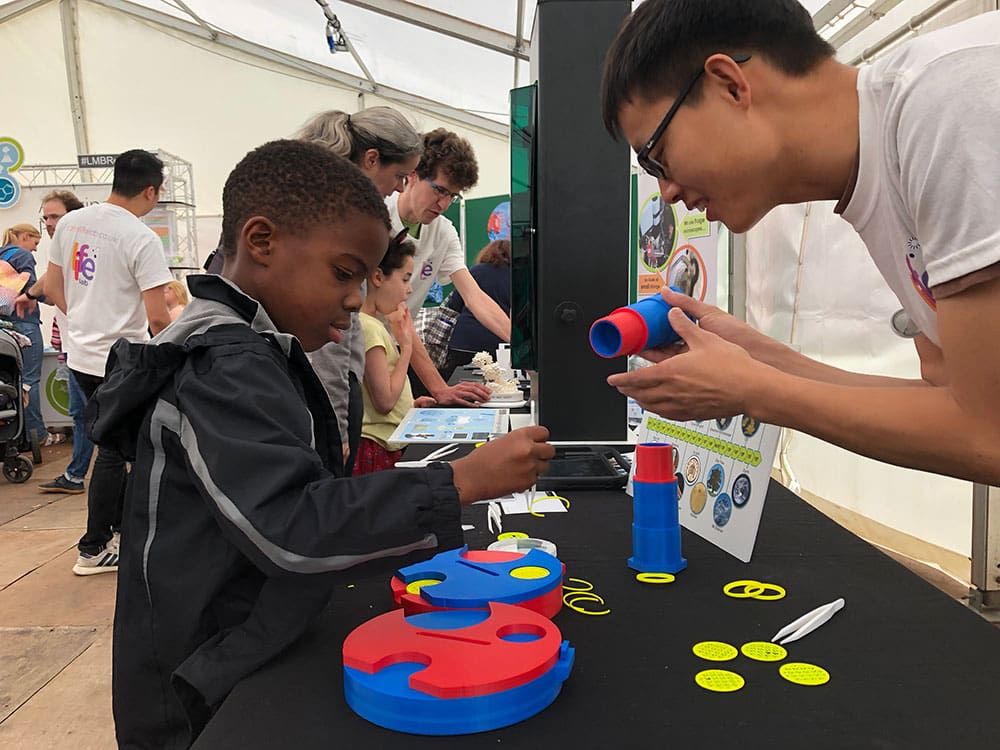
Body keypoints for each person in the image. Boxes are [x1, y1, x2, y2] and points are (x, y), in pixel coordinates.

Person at [85, 139, 553, 748]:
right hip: (196, 686)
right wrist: (461, 483)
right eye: (343, 273)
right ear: (261, 242)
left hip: (232, 641)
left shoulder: (254, 345)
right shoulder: (224, 365)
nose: (357, 299)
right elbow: (288, 530)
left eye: (363, 278)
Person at [599, 0, 1000, 486]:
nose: (667, 192)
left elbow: (987, 433)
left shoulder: (947, 98)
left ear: (730, 83)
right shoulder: (887, 164)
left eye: (657, 158)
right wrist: (761, 360)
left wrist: (754, 388)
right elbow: (946, 398)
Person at [292, 107, 473, 475]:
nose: (399, 187)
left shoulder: (345, 221)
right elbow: (334, 342)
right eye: (400, 176)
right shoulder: (351, 224)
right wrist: (338, 426)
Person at [40, 149, 173, 574]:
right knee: (119, 452)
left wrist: (80, 320)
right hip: (122, 360)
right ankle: (94, 547)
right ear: (151, 190)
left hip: (80, 354)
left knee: (119, 447)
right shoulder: (141, 237)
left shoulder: (73, 221)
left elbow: (52, 285)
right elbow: (157, 317)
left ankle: (118, 534)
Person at [389, 128, 510, 403]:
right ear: (413, 174)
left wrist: (523, 346)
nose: (443, 204)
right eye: (440, 191)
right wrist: (439, 387)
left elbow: (475, 296)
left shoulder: (443, 231)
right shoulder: (377, 216)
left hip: (397, 350)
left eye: (452, 196)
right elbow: (395, 314)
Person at [27, 190, 97, 492]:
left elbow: (50, 283)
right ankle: (76, 474)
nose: (48, 223)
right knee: (82, 415)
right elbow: (50, 283)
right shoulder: (67, 245)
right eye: (45, 217)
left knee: (92, 415)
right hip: (73, 347)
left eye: (54, 216)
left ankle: (85, 474)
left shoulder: (78, 244)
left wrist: (28, 294)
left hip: (87, 346)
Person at [355, 230, 434, 475]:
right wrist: (407, 346)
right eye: (405, 279)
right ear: (378, 276)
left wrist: (408, 405)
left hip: (384, 441)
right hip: (375, 448)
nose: (409, 290)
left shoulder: (373, 325)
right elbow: (384, 401)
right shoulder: (368, 328)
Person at [439, 239, 511, 382]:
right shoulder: (516, 276)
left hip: (464, 341)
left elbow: (455, 305)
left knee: (457, 383)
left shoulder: (474, 272)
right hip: (499, 341)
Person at [0, 223, 45, 451]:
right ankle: (34, 435)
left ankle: (9, 432)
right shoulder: (22, 254)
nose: (35, 249)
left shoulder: (2, 253)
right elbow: (33, 287)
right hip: (24, 322)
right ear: (25, 236)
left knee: (9, 379)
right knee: (29, 380)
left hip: (3, 325)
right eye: (35, 242)